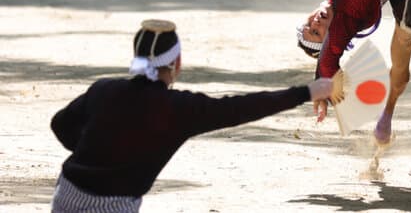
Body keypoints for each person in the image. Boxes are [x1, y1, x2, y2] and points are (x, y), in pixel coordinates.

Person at [50, 19, 332, 211]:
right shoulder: (179, 108)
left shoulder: (104, 89)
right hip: (116, 204)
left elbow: (60, 125)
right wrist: (306, 92)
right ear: (176, 63)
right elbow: (242, 107)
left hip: (68, 192)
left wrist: (100, 152)